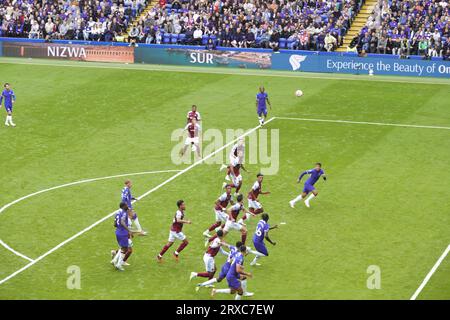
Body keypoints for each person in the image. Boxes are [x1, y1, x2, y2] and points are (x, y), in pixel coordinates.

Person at [111, 202, 133, 271]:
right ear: (123, 206)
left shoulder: (118, 212)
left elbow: (115, 224)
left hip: (118, 232)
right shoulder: (124, 213)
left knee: (122, 248)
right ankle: (119, 264)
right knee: (125, 249)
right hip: (123, 233)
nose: (127, 206)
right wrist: (129, 230)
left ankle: (114, 260)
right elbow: (122, 221)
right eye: (126, 205)